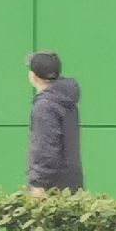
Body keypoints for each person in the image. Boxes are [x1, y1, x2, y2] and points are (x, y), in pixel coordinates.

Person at [27, 51, 84, 195]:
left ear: (33, 76)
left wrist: (38, 184)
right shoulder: (67, 100)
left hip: (51, 190)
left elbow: (45, 147)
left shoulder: (44, 106)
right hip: (71, 185)